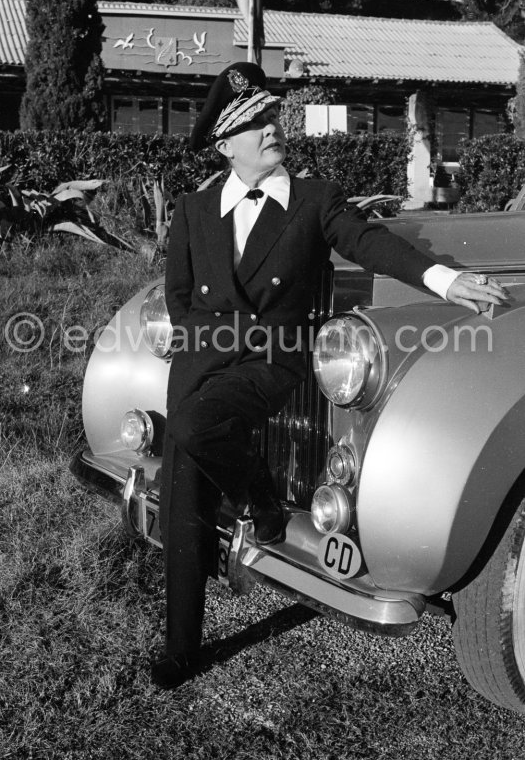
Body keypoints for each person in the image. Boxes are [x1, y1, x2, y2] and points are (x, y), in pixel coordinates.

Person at [152, 62, 508, 689]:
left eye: (271, 117)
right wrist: (201, 340)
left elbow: (371, 243)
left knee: (192, 424)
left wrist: (445, 280)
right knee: (182, 491)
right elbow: (179, 293)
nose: (271, 129)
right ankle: (182, 642)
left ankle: (261, 505)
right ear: (226, 143)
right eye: (255, 123)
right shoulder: (195, 207)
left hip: (272, 360)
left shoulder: (313, 199)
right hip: (203, 359)